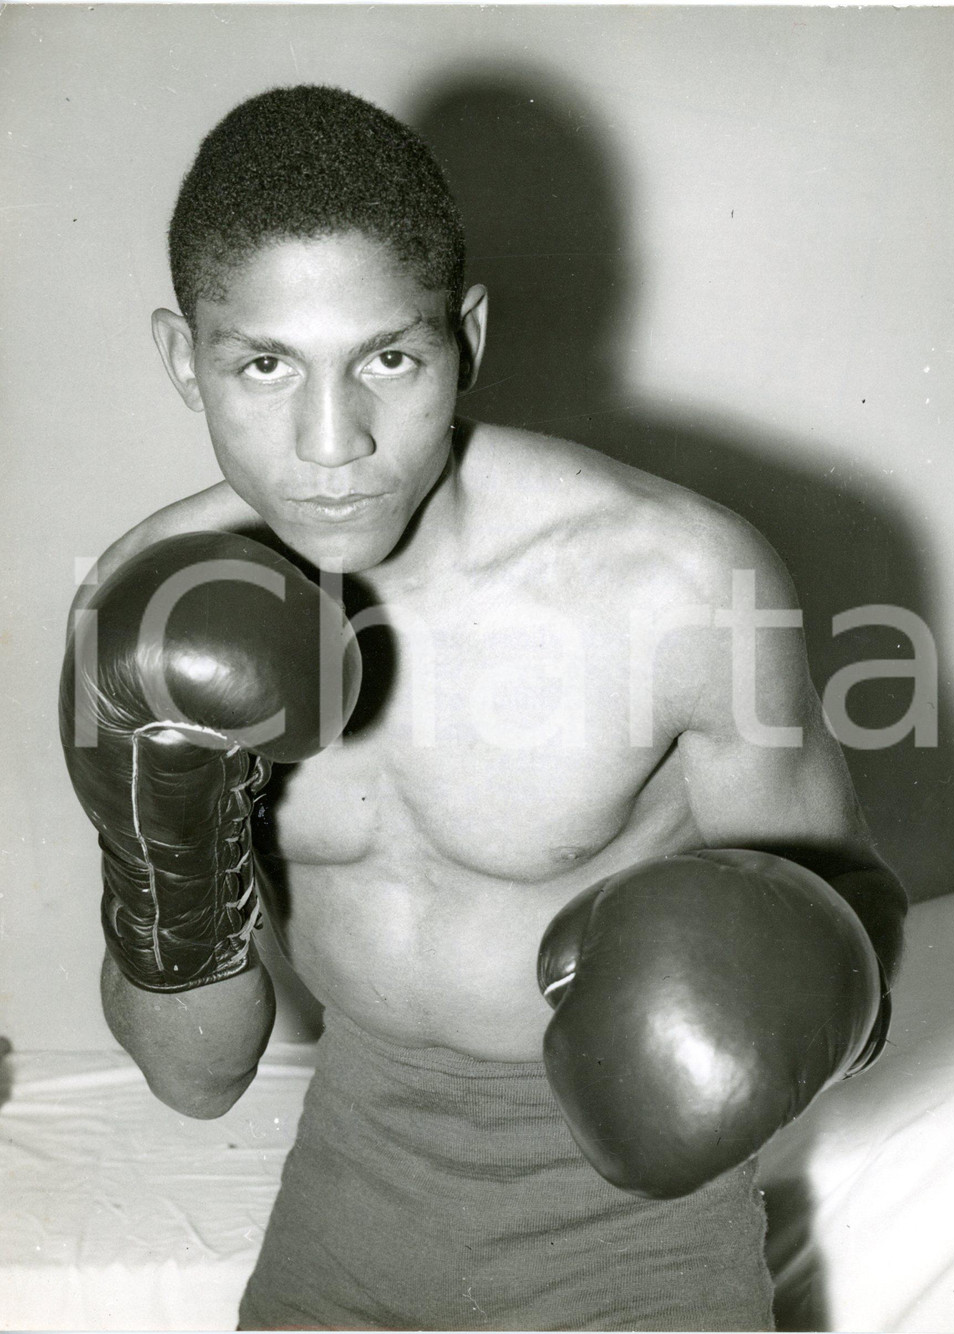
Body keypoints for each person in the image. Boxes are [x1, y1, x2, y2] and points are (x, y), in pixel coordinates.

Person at [61, 85, 907, 1331]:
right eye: (266, 365)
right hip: (345, 1216)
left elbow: (849, 949)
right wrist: (163, 858)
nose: (333, 442)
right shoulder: (147, 604)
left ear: (465, 337)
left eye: (387, 358)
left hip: (644, 1250)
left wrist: (773, 997)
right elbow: (197, 1079)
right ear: (187, 361)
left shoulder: (678, 581)